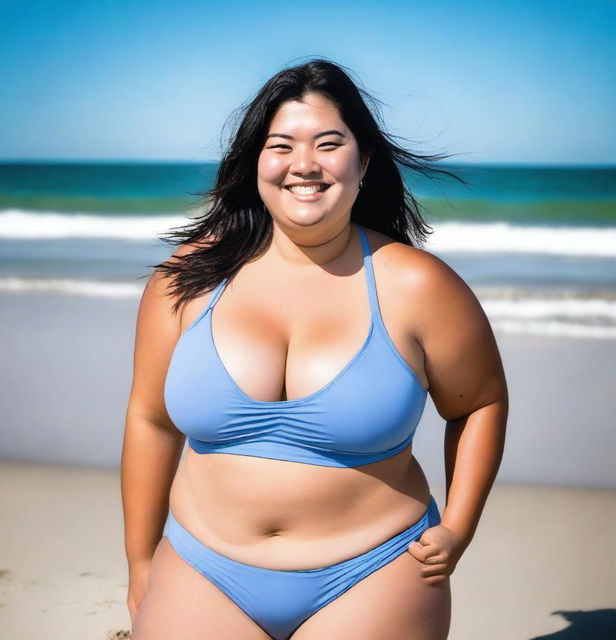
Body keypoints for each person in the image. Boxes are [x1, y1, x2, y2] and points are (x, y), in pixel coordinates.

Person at [121, 58, 508, 640]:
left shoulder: (417, 286)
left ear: (364, 161)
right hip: (202, 567)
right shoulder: (187, 280)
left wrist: (458, 525)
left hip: (375, 570)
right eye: (282, 145)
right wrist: (141, 561)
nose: (304, 164)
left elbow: (480, 403)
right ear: (256, 160)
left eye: (329, 143)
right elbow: (150, 421)